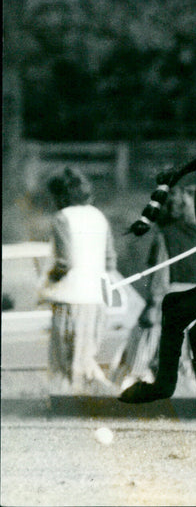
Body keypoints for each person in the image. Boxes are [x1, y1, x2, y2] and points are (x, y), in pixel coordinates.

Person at [113, 183, 196, 395]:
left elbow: (160, 276)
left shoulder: (169, 234)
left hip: (187, 298)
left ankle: (143, 378)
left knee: (161, 341)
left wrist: (153, 305)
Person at [39, 167, 117, 392]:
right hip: (96, 299)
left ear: (60, 195)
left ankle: (67, 405)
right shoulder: (98, 216)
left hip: (69, 298)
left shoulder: (62, 218)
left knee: (63, 362)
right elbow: (110, 259)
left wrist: (47, 282)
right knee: (84, 360)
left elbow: (65, 261)